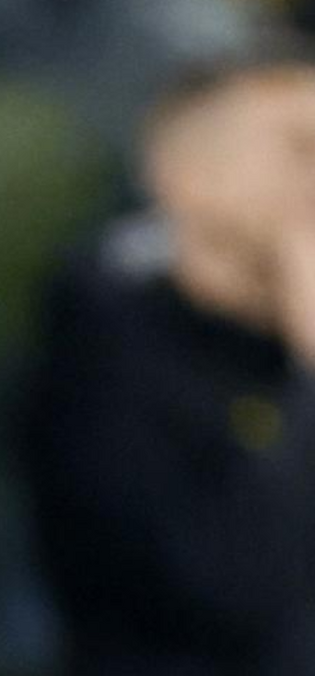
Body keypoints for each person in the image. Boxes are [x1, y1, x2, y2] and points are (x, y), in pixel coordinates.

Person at [19, 48, 315, 675]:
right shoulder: (103, 343)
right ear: (185, 175)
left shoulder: (276, 342)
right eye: (300, 148)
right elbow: (229, 590)